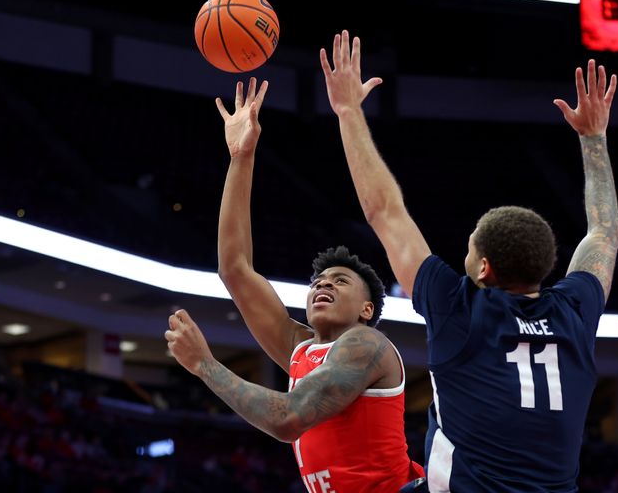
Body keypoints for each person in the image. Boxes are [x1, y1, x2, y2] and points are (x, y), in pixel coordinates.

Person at [320, 30, 618, 492]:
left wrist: (347, 110)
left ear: (483, 270)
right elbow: (604, 232)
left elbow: (384, 209)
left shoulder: (459, 308)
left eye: (469, 247)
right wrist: (595, 139)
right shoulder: (574, 311)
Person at [165, 78, 424, 493]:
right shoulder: (301, 348)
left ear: (366, 310)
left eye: (340, 281)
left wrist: (205, 366)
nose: (324, 285)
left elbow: (288, 419)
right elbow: (234, 268)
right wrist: (241, 157)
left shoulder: (366, 346)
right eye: (319, 280)